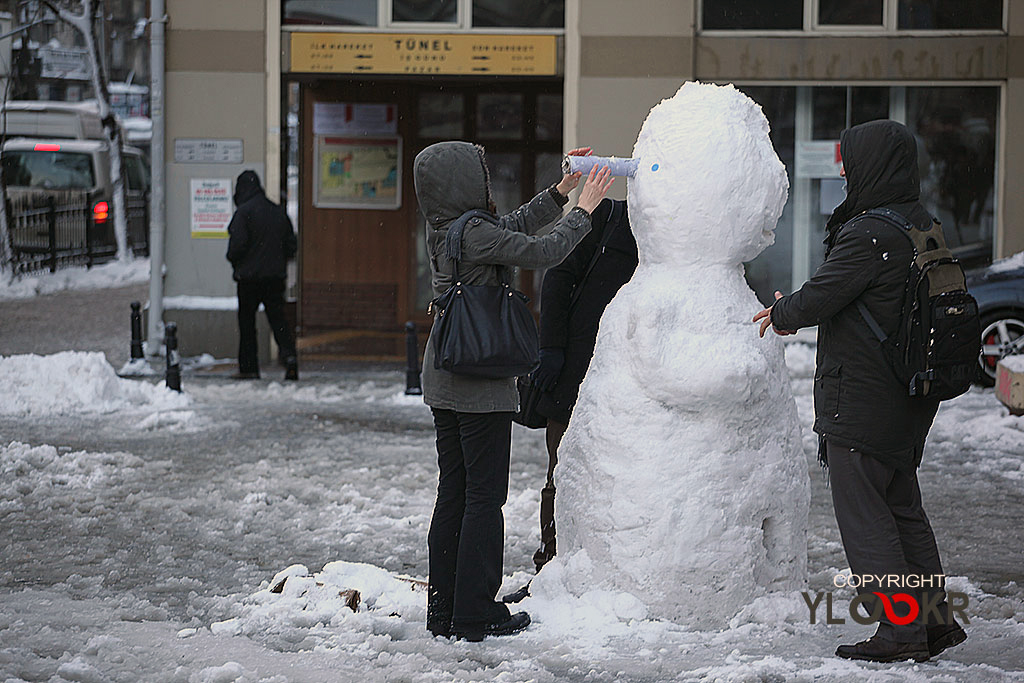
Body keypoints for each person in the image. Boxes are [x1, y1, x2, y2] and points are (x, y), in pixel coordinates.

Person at [753, 119, 967, 663]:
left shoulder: (870, 233)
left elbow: (824, 293)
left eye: (849, 157)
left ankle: (898, 631)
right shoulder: (920, 224)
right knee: (902, 508)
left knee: (868, 515)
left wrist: (782, 312)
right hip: (908, 395)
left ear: (871, 164)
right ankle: (934, 623)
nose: (843, 168)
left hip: (865, 399)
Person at [413, 142, 614, 641]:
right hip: (479, 383)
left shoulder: (447, 229)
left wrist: (560, 192)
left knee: (454, 495)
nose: (486, 182)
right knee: (484, 498)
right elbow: (542, 251)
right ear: (464, 182)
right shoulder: (474, 231)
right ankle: (476, 612)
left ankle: (445, 610)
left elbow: (512, 230)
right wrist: (583, 210)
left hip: (444, 375)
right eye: (480, 174)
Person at [529, 197, 638, 573]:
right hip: (575, 372)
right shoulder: (609, 217)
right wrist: (552, 349)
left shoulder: (679, 237)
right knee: (562, 473)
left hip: (632, 383)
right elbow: (557, 278)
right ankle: (551, 564)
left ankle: (610, 567)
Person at [225, 170, 299, 381]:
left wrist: (236, 261)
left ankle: (249, 368)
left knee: (248, 324)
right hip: (274, 278)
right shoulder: (277, 211)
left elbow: (236, 246)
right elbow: (291, 246)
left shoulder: (243, 213)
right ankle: (290, 357)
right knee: (278, 320)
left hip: (249, 279)